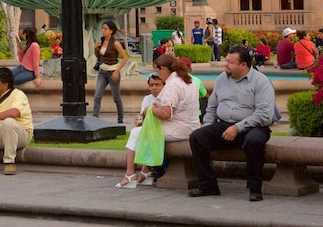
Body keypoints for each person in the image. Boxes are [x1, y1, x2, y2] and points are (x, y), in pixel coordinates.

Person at [188, 46, 278, 202]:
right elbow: (212, 106)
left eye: (230, 62)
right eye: (226, 61)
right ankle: (208, 185)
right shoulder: (222, 78)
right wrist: (209, 125)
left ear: (243, 65)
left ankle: (255, 188)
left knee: (254, 141)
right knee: (197, 137)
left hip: (253, 126)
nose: (226, 65)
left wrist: (238, 127)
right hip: (224, 125)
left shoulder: (261, 82)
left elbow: (264, 115)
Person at [117, 55, 201, 188]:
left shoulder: (172, 85)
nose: (157, 74)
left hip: (178, 129)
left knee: (135, 133)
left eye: (157, 71)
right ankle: (145, 172)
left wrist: (149, 109)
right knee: (143, 131)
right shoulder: (188, 81)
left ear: (162, 69)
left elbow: (166, 114)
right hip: (191, 126)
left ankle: (130, 174)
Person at [92, 20, 129, 123]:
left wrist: (117, 71)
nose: (103, 31)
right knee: (97, 96)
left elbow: (125, 58)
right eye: (102, 28)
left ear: (111, 31)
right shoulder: (101, 41)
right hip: (102, 72)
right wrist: (95, 48)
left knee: (116, 97)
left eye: (105, 29)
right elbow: (99, 56)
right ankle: (95, 117)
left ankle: (120, 119)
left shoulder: (115, 43)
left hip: (113, 72)